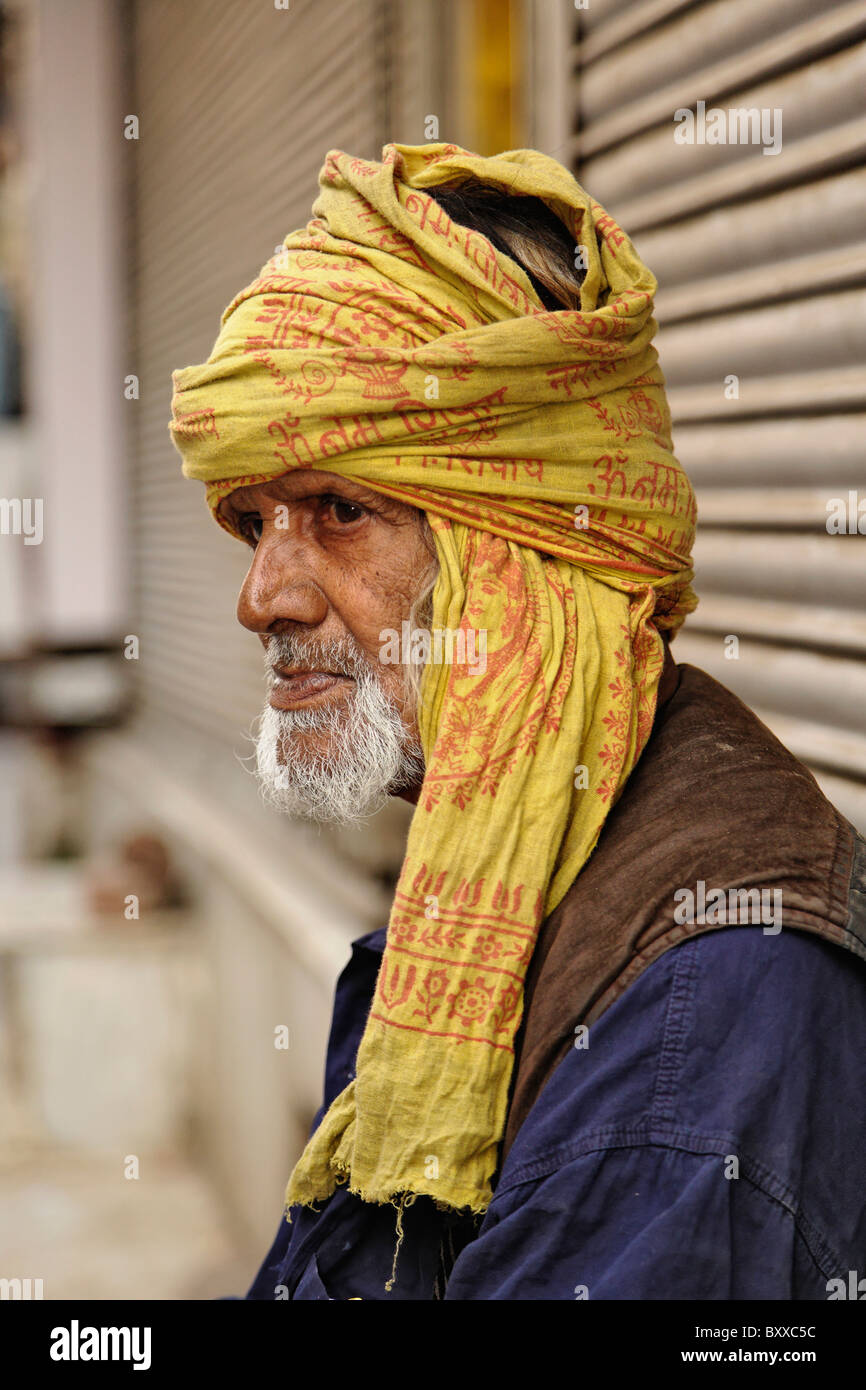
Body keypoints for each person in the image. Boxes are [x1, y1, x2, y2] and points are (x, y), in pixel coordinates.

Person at [169, 142, 866, 1300]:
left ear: (527, 559)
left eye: (339, 511)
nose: (260, 599)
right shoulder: (497, 859)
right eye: (254, 521)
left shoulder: (696, 1034)